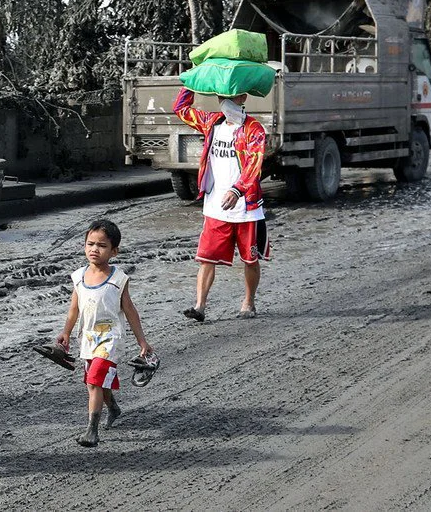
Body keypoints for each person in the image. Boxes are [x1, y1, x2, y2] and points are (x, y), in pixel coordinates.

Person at [174, 87, 271, 321]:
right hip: (216, 207)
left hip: (247, 209)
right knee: (206, 258)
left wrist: (238, 190)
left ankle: (248, 303)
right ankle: (199, 306)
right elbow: (181, 110)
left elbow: (254, 165)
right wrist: (191, 83)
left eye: (230, 96)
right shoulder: (212, 123)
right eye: (221, 97)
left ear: (243, 98)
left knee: (250, 259)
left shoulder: (253, 129)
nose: (224, 102)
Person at [53, 219, 153, 447]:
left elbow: (130, 310)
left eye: (101, 245)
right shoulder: (79, 277)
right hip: (88, 338)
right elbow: (74, 309)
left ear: (114, 251)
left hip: (110, 338)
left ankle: (92, 429)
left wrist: (142, 342)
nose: (94, 249)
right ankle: (113, 408)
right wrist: (66, 333)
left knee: (95, 380)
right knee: (94, 381)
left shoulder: (119, 279)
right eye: (90, 244)